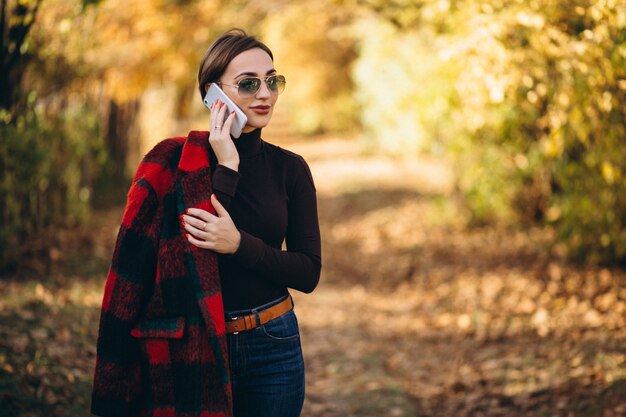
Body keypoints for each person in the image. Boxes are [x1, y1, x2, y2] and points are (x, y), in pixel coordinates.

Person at [90, 28, 321, 417]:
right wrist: (227, 167)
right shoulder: (171, 162)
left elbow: (308, 271)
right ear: (212, 94)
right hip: (193, 346)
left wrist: (239, 245)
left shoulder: (290, 169)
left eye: (272, 81)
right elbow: (183, 253)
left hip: (273, 347)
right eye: (248, 84)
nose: (264, 94)